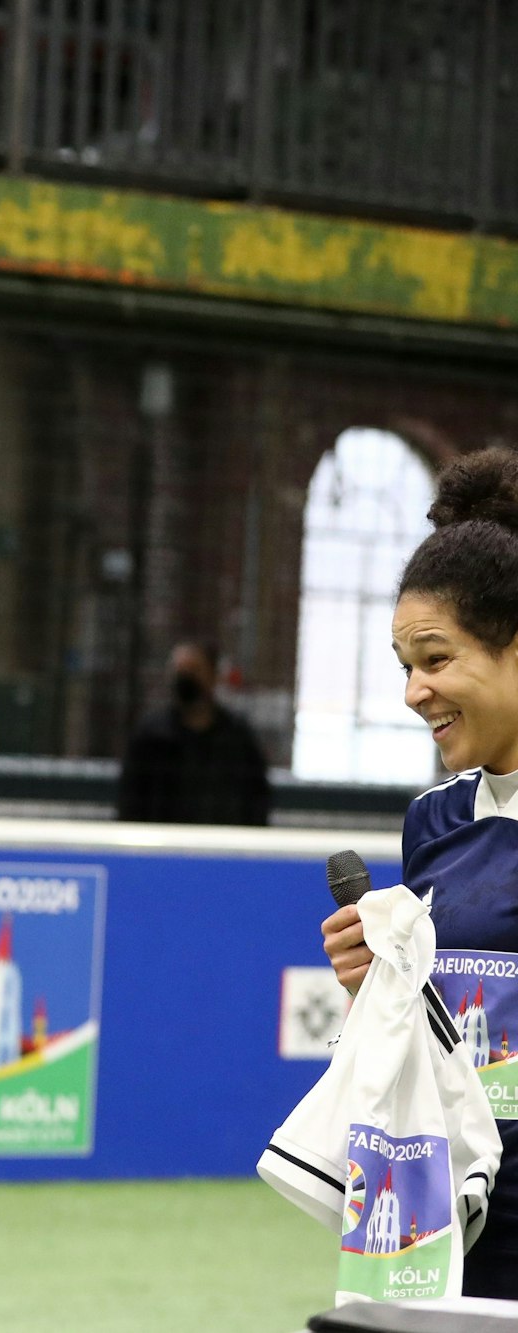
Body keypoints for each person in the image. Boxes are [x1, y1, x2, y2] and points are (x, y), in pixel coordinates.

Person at [322, 444, 518, 1299]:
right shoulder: (430, 824)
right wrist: (378, 987)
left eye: (436, 659)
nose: (412, 690)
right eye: (405, 664)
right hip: (435, 1226)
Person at [115, 639, 271, 825]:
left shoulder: (237, 737)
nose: (185, 677)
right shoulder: (151, 736)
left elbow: (256, 798)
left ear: (213, 675)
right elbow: (130, 799)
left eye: (194, 669)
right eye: (179, 670)